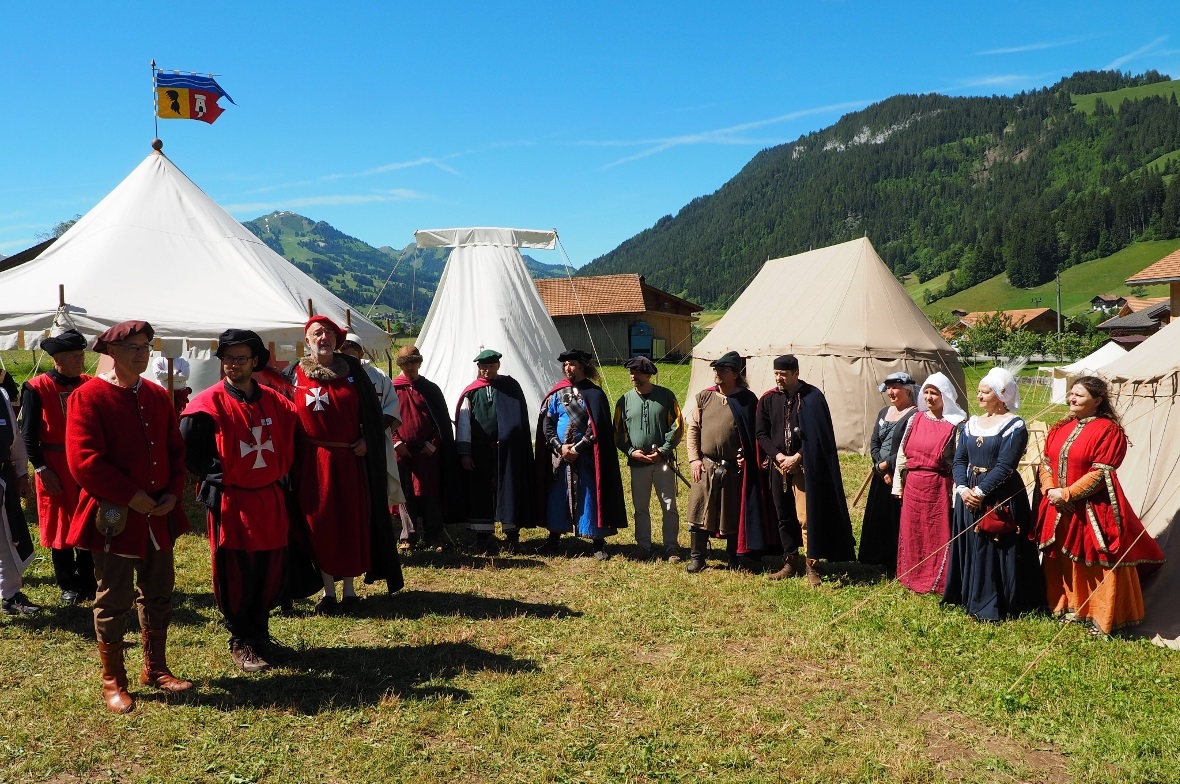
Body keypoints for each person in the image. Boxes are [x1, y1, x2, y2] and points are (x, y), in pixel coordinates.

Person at [65, 321, 192, 714]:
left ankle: (155, 668)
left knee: (158, 591)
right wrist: (130, 496)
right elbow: (83, 462)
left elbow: (175, 450)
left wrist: (172, 492)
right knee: (113, 597)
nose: (142, 353)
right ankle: (113, 681)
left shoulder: (156, 395)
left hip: (157, 514)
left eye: (146, 346)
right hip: (116, 514)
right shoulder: (88, 397)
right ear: (112, 353)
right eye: (134, 347)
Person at [181, 330, 300, 672]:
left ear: (254, 362)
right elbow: (189, 451)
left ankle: (260, 634)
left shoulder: (275, 402)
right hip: (232, 501)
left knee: (269, 566)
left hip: (268, 498)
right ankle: (241, 640)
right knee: (237, 571)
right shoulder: (207, 403)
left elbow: (291, 437)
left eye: (241, 358)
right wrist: (218, 474)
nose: (234, 365)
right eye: (228, 358)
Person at [282, 315, 402, 615]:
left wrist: (367, 439)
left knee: (350, 521)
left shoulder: (356, 374)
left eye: (329, 334)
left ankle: (349, 590)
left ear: (337, 340)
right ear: (307, 340)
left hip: (350, 459)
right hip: (311, 462)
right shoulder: (293, 374)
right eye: (317, 333)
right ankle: (328, 590)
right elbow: (282, 413)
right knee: (318, 522)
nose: (323, 338)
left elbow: (374, 415)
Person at [1036, 376, 1165, 635]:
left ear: (1096, 401)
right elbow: (1046, 462)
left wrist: (1068, 494)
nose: (1072, 399)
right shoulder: (1060, 427)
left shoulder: (1108, 430)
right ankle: (1070, 606)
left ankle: (1103, 615)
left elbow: (1102, 472)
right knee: (1063, 557)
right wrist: (1050, 490)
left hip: (1094, 508)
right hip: (1058, 506)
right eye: (1071, 394)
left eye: (1079, 395)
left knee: (1098, 560)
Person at [943, 367, 1045, 622]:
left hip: (1000, 493)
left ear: (1001, 395)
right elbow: (959, 460)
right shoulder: (971, 424)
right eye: (979, 391)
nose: (979, 396)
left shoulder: (1014, 425)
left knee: (993, 544)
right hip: (968, 493)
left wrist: (980, 491)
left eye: (985, 392)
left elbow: (1006, 465)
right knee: (972, 545)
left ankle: (994, 601)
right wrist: (963, 489)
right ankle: (969, 595)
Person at [755, 354, 854, 585]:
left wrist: (798, 457)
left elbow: (820, 436)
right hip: (779, 467)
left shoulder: (812, 398)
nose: (779, 378)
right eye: (776, 374)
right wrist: (778, 456)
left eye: (783, 374)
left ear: (796, 374)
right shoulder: (769, 399)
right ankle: (790, 562)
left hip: (804, 467)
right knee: (784, 516)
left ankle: (812, 565)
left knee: (806, 517)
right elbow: (761, 433)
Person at [19, 328, 96, 605]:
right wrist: (40, 468)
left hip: (86, 462)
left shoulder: (89, 383)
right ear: (57, 359)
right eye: (73, 356)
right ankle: (68, 584)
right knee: (61, 523)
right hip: (54, 463)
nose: (80, 360)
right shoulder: (37, 388)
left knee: (89, 520)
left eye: (81, 354)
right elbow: (28, 434)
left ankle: (89, 580)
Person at [537, 348, 627, 560]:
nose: (568, 368)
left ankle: (597, 542)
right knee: (557, 495)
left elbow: (596, 428)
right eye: (566, 365)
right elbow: (548, 422)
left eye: (572, 364)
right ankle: (553, 539)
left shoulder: (594, 394)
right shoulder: (557, 393)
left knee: (590, 496)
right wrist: (559, 447)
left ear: (583, 367)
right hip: (560, 456)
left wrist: (577, 449)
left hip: (586, 456)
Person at [689, 351, 773, 573]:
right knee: (699, 511)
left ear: (735, 374)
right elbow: (693, 429)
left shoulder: (747, 400)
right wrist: (694, 459)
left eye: (723, 369)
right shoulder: (704, 397)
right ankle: (697, 557)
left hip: (733, 469)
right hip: (705, 465)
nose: (717, 373)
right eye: (716, 369)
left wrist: (748, 457)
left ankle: (734, 557)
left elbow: (755, 435)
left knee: (732, 513)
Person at [892, 372, 965, 594]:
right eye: (926, 392)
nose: (929, 397)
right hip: (913, 484)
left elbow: (959, 461)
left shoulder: (956, 424)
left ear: (946, 396)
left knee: (936, 532)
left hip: (938, 486)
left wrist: (956, 494)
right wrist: (898, 485)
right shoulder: (915, 419)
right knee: (912, 531)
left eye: (935, 393)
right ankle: (909, 576)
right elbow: (902, 455)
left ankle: (937, 581)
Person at [456, 349, 534, 554]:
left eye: (490, 366)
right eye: (482, 367)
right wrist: (465, 453)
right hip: (480, 451)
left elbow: (520, 420)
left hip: (508, 451)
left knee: (509, 490)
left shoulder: (511, 387)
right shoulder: (471, 391)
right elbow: (464, 423)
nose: (486, 370)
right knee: (480, 492)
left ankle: (512, 537)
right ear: (478, 368)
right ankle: (482, 537)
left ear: (498, 366)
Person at [613, 356, 684, 561]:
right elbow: (618, 431)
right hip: (638, 462)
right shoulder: (624, 400)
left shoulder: (666, 396)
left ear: (648, 374)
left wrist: (663, 450)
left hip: (663, 462)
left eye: (637, 372)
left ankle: (671, 547)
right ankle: (643, 545)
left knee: (669, 505)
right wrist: (630, 451)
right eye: (631, 372)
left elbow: (678, 425)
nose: (633, 376)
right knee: (640, 507)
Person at [391, 345, 457, 552]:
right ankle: (408, 536)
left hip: (427, 452)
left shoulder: (430, 389)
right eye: (405, 364)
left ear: (419, 363)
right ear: (400, 365)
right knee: (404, 494)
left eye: (413, 363)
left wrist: (433, 443)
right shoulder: (392, 389)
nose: (409, 368)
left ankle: (433, 535)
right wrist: (396, 442)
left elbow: (442, 422)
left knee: (430, 494)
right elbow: (385, 420)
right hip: (402, 451)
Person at [337, 331, 407, 515]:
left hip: (374, 445)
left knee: (374, 490)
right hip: (345, 445)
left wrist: (369, 438)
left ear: (360, 354)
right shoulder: (334, 376)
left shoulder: (378, 377)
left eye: (351, 355)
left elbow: (391, 412)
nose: (348, 360)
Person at [857, 372, 918, 574]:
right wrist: (878, 466)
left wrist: (887, 466)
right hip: (880, 474)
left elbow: (909, 448)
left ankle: (895, 560)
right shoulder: (884, 412)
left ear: (907, 390)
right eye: (889, 388)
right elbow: (875, 443)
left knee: (895, 517)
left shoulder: (914, 415)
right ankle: (875, 557)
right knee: (879, 515)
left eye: (895, 388)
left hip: (900, 475)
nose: (891, 392)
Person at [1, 385, 38, 616]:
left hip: (2, 478)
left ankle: (11, 594)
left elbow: (15, 440)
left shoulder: (1, 396)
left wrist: (23, 474)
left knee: (7, 539)